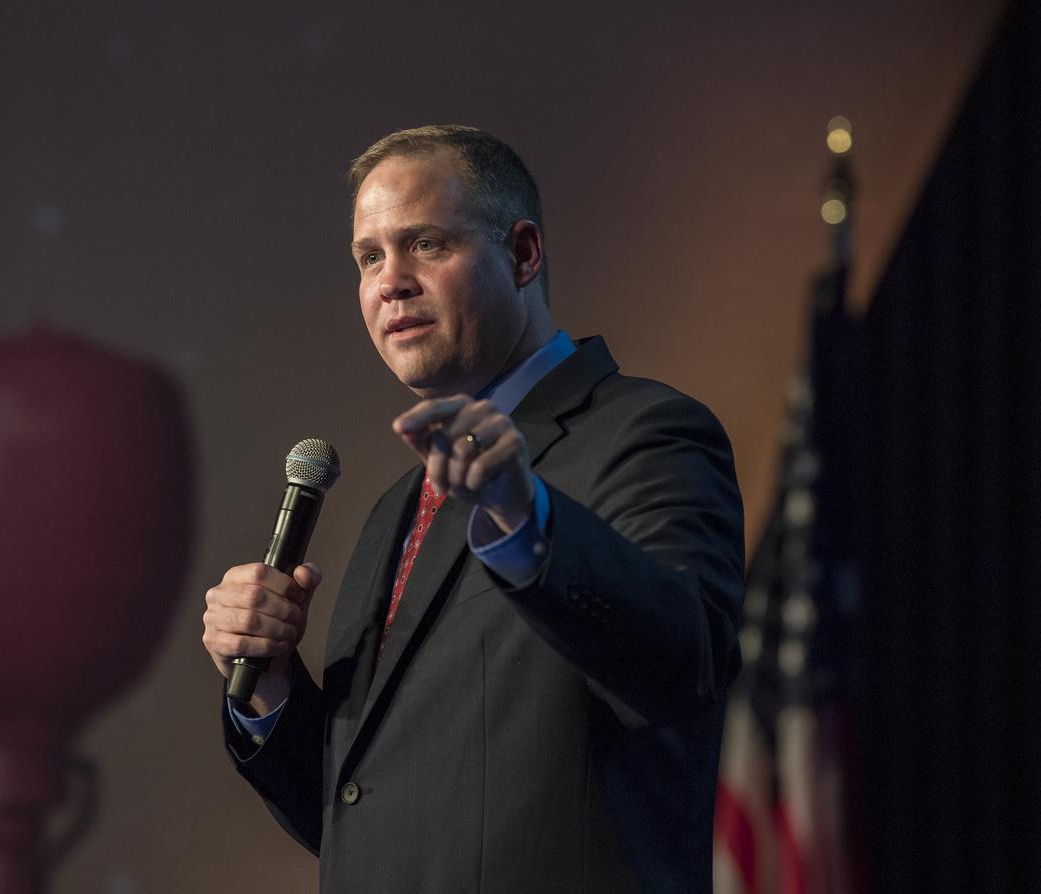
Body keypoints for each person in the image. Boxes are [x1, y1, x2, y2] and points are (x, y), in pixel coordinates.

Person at [201, 124, 745, 892]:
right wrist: (269, 686)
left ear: (523, 254)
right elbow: (359, 812)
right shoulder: (397, 509)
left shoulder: (645, 434)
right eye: (369, 257)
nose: (390, 281)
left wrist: (531, 530)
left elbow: (680, 668)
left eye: (425, 245)